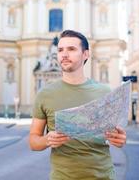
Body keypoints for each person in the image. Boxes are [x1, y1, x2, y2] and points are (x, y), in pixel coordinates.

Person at [29, 30, 127, 180]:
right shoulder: (45, 94)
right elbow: (33, 141)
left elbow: (114, 135)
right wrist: (47, 140)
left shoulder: (105, 92)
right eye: (60, 50)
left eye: (71, 49)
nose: (64, 54)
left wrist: (119, 139)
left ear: (85, 54)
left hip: (104, 176)